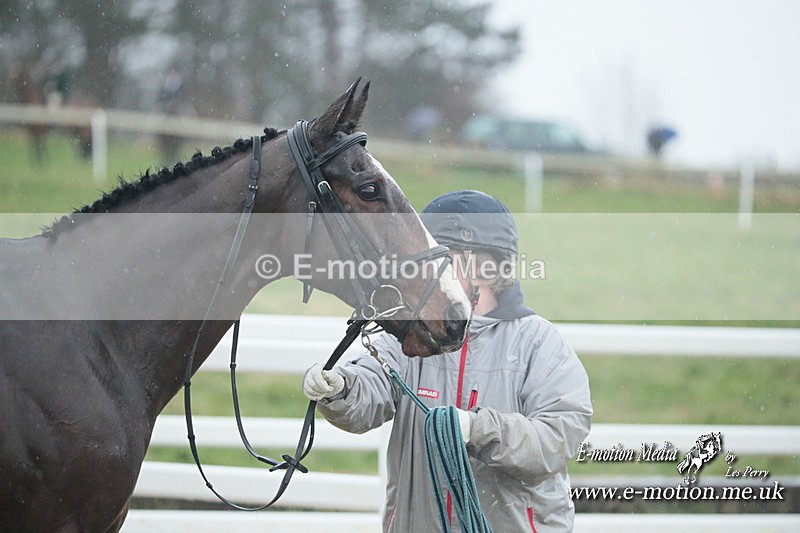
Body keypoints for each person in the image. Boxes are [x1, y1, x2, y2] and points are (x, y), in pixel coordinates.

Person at [303, 190, 592, 532]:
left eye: (443, 262)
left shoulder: (540, 345)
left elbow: (553, 443)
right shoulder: (413, 334)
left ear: (487, 268)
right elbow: (371, 390)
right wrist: (341, 390)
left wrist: (477, 428)